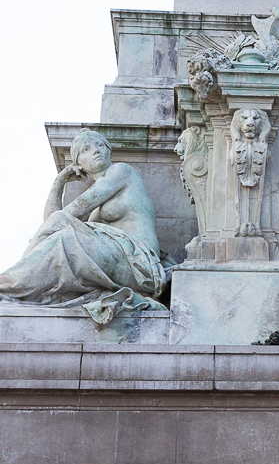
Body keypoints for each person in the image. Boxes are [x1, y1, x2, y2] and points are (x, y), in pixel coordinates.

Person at [0, 129, 168, 325]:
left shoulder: (122, 171)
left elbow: (71, 212)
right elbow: (50, 224)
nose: (96, 150)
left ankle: (10, 285)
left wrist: (58, 222)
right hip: (118, 257)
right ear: (78, 164)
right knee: (59, 238)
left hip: (139, 262)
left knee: (63, 235)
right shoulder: (96, 215)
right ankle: (14, 287)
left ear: (108, 151)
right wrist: (59, 182)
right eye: (86, 149)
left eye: (100, 145)